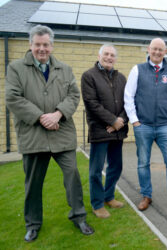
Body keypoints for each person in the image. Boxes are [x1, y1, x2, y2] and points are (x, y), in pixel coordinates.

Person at [5, 25, 94, 242]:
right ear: (30, 45)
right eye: (37, 44)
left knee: (72, 175)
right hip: (33, 136)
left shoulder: (64, 69)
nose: (41, 49)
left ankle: (79, 217)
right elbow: (13, 98)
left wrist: (57, 115)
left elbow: (73, 95)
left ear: (52, 46)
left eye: (46, 44)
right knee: (33, 183)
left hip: (61, 133)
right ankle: (33, 224)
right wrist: (41, 117)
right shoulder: (16, 68)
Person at [124, 38, 167, 213]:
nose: (157, 52)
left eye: (161, 49)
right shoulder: (138, 70)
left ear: (165, 52)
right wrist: (134, 121)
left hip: (165, 126)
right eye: (154, 49)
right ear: (148, 50)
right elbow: (128, 97)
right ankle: (146, 196)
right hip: (143, 125)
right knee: (143, 163)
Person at [81, 44, 128, 218]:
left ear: (116, 58)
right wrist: (112, 121)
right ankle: (97, 203)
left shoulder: (121, 77)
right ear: (99, 55)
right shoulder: (89, 76)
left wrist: (120, 121)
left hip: (118, 131)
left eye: (112, 55)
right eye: (106, 54)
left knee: (116, 166)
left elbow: (129, 102)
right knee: (96, 170)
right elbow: (91, 104)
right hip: (100, 131)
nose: (109, 57)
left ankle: (109, 196)